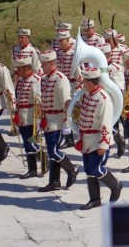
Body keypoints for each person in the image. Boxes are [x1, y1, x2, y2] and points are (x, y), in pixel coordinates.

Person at [74, 67, 123, 210]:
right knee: (89, 170)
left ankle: (115, 185)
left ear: (90, 82)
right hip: (86, 138)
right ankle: (94, 199)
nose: (82, 84)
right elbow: (80, 109)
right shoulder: (86, 95)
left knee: (97, 169)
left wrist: (103, 144)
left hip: (97, 140)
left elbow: (106, 124)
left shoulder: (104, 99)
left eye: (84, 81)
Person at [37, 50, 79, 192]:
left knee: (54, 150)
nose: (42, 66)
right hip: (48, 119)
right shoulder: (44, 79)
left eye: (44, 64)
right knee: (51, 152)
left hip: (58, 120)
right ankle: (54, 181)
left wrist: (67, 124)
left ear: (51, 63)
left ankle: (72, 169)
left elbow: (66, 102)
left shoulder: (60, 79)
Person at [12, 57, 42, 179]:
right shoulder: (20, 80)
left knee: (31, 143)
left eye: (19, 68)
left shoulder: (36, 80)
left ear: (26, 68)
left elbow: (38, 98)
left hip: (31, 115)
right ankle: (33, 168)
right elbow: (18, 96)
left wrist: (38, 116)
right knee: (27, 143)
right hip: (22, 114)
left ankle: (41, 162)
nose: (17, 71)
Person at [97, 43, 126, 158]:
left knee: (108, 126)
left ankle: (119, 142)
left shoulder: (115, 68)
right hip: (99, 100)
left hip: (111, 101)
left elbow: (119, 88)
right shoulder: (96, 67)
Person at [55, 29, 82, 149]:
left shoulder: (74, 53)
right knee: (65, 110)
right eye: (59, 41)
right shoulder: (58, 53)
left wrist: (78, 87)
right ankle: (69, 138)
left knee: (76, 112)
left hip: (73, 84)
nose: (60, 43)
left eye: (62, 41)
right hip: (62, 84)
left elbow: (79, 71)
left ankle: (81, 136)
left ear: (68, 40)